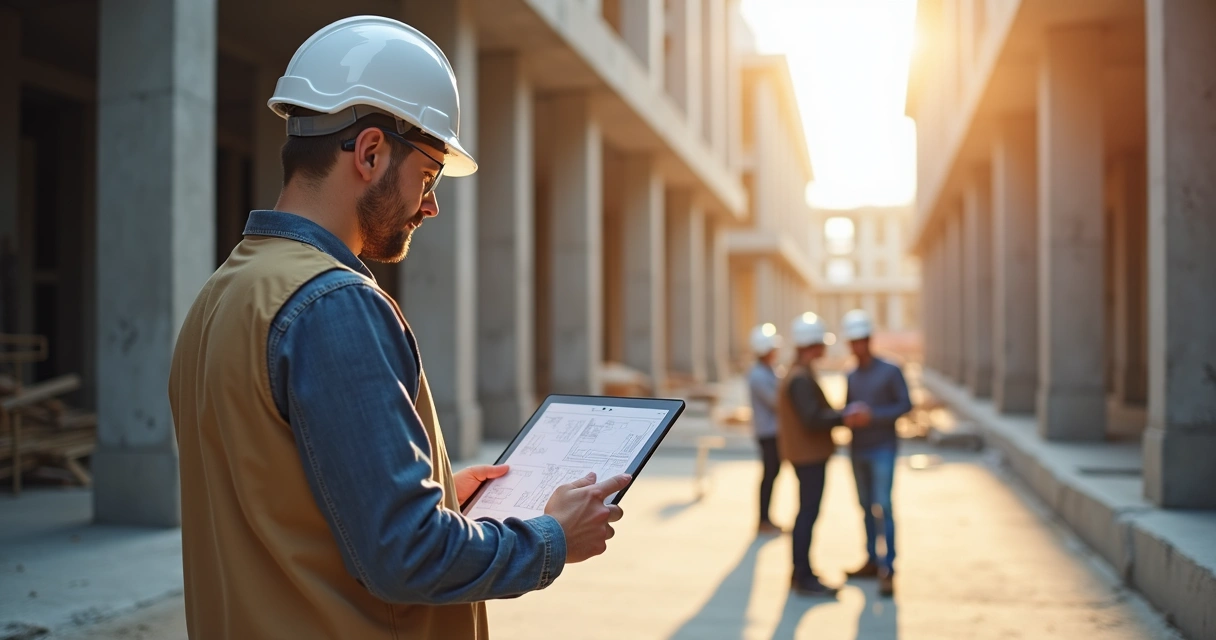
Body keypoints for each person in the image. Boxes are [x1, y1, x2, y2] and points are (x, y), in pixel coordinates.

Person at [167, 17, 629, 640]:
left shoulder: (223, 295)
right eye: (430, 176)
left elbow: (284, 507)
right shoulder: (333, 303)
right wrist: (550, 538)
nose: (431, 204)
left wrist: (435, 497)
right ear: (370, 153)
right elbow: (406, 556)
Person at [840, 309, 913, 598]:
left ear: (869, 340)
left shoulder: (891, 370)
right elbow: (846, 407)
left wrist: (874, 416)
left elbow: (905, 405)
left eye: (861, 340)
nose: (857, 346)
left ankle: (888, 567)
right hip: (858, 449)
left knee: (883, 506)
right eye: (852, 342)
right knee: (865, 507)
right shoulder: (851, 374)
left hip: (882, 448)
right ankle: (871, 559)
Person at [777, 313, 851, 597]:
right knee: (807, 514)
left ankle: (801, 572)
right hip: (808, 457)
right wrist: (844, 416)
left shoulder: (799, 373)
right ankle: (803, 577)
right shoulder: (799, 378)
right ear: (813, 345)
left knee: (806, 513)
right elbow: (812, 418)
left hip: (805, 455)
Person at [747, 323, 784, 535]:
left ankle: (767, 518)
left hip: (774, 432)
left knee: (772, 474)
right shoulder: (758, 376)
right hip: (767, 433)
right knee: (769, 475)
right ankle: (763, 520)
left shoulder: (769, 371)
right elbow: (777, 402)